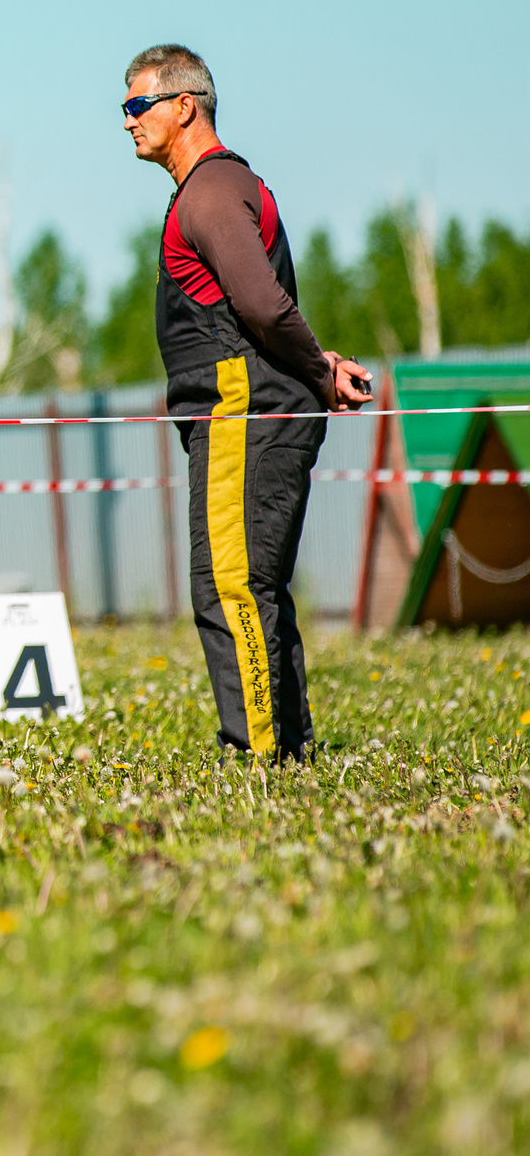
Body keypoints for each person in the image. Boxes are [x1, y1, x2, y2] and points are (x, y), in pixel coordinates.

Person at [126, 43, 373, 759]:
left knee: (229, 588)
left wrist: (319, 371)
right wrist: (318, 366)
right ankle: (289, 747)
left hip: (244, 410)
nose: (128, 122)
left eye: (138, 106)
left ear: (184, 106)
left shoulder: (208, 191)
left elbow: (263, 306)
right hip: (254, 409)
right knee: (252, 585)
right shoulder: (214, 188)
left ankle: (258, 753)